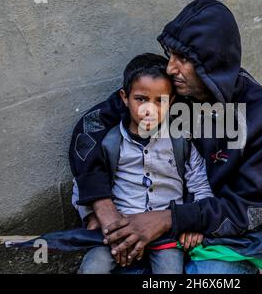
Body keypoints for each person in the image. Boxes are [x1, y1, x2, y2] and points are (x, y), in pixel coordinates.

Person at [69, 0, 262, 274]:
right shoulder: (169, 94)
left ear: (212, 63)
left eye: (183, 59)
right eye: (171, 54)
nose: (171, 68)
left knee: (210, 276)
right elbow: (89, 129)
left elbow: (252, 209)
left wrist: (175, 219)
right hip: (158, 230)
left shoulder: (260, 115)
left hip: (221, 238)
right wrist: (102, 207)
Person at [71, 53, 214, 274]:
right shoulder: (109, 142)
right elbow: (83, 180)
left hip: (166, 232)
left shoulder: (181, 141)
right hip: (119, 230)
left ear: (172, 102)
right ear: (124, 98)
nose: (150, 109)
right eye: (141, 99)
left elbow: (200, 183)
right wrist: (92, 217)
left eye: (161, 101)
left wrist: (193, 222)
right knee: (93, 268)